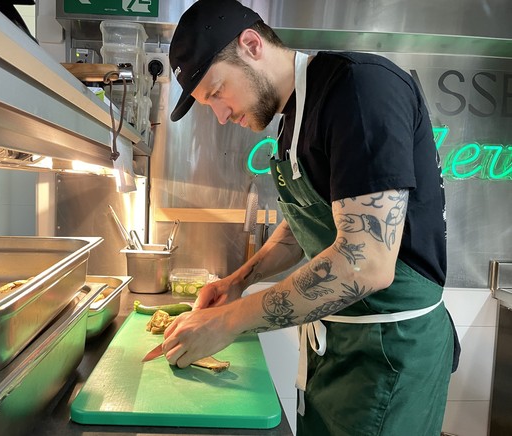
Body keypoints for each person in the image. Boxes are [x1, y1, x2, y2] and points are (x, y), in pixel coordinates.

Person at [163, 1, 460, 434]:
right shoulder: (292, 118)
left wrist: (228, 322)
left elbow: (365, 262)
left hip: (391, 353)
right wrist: (238, 282)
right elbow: (306, 224)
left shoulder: (359, 90)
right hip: (337, 347)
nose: (221, 115)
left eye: (217, 92)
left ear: (251, 45)